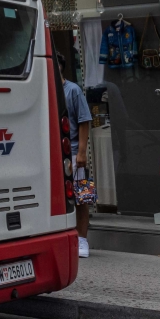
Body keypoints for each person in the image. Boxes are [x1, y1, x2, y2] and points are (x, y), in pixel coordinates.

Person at [59, 61, 94, 258]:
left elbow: (84, 120)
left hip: (72, 150)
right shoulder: (47, 90)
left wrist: (81, 152)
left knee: (83, 197)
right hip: (55, 153)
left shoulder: (73, 90)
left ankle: (82, 240)